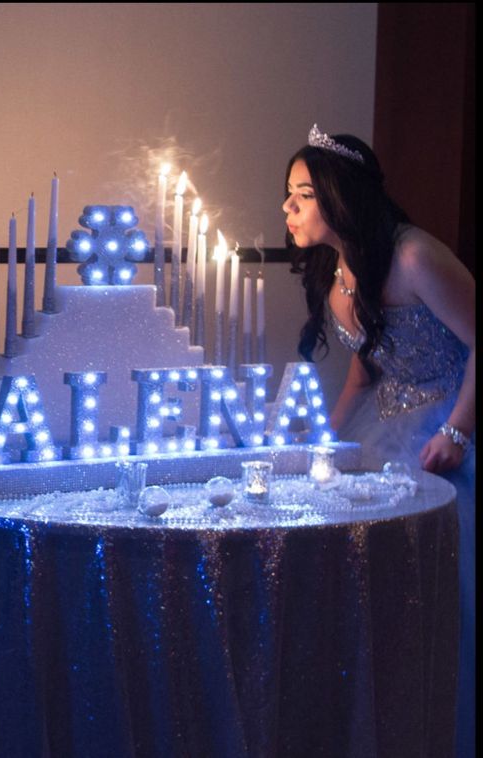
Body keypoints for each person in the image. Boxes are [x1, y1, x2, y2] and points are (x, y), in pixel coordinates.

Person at [283, 124, 475, 757]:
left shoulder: (414, 256)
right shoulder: (339, 274)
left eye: (302, 195)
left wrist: (457, 431)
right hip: (384, 430)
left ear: (338, 195)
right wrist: (324, 444)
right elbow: (367, 373)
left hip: (455, 421)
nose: (287, 208)